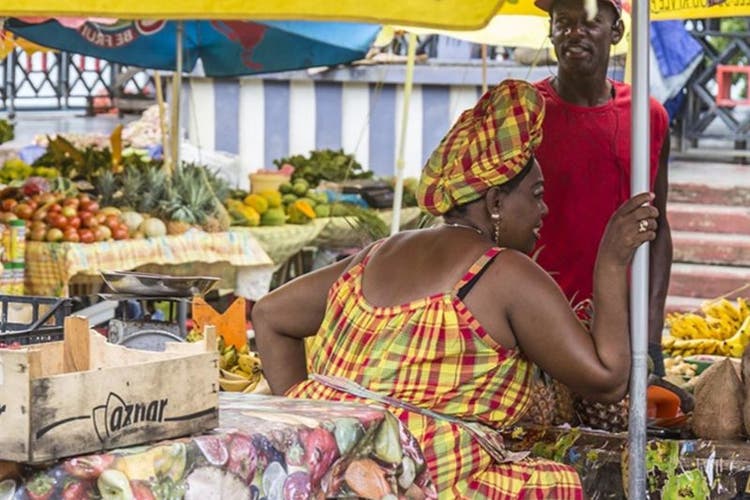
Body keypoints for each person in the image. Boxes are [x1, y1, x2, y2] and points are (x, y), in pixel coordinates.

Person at [252, 79, 659, 498]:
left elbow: (269, 314)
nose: (544, 210)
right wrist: (611, 262)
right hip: (423, 483)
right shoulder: (502, 271)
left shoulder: (375, 254)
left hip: (329, 477)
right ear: (496, 202)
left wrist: (315, 435)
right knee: (551, 484)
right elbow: (608, 379)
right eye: (536, 195)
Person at [532, 0, 672, 375]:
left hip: (619, 326)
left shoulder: (649, 116)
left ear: (617, 32)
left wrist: (651, 336)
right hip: (535, 324)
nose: (574, 33)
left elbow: (656, 227)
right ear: (550, 31)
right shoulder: (525, 112)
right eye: (563, 22)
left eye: (590, 22)